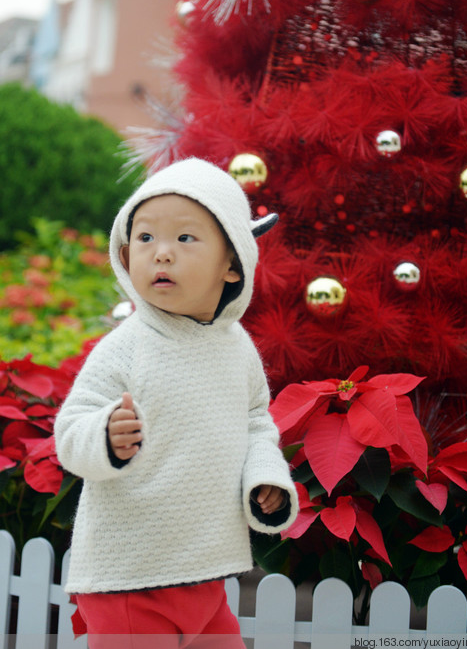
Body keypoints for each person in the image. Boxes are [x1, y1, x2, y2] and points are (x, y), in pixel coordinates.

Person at [54, 157, 299, 648]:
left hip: (204, 571)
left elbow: (256, 423)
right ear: (125, 254)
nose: (161, 254)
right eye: (145, 239)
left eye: (185, 238)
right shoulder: (129, 345)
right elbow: (70, 430)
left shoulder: (237, 348)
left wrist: (265, 477)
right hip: (131, 578)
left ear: (233, 262)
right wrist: (104, 435)